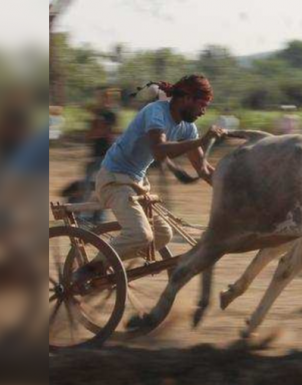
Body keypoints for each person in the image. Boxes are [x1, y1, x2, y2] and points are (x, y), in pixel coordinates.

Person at [74, 74, 225, 281]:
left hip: (137, 183)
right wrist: (201, 142)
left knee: (162, 235)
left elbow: (204, 170)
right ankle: (91, 269)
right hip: (114, 179)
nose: (203, 111)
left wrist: (234, 191)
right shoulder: (156, 112)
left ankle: (110, 263)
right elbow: (160, 151)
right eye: (202, 104)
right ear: (186, 98)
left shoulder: (188, 128)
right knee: (141, 236)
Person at [82, 87, 119, 223]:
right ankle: (85, 215)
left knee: (103, 187)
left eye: (105, 98)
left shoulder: (110, 115)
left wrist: (99, 127)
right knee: (87, 187)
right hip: (95, 155)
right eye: (100, 98)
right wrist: (97, 126)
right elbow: (89, 136)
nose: (102, 100)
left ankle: (100, 217)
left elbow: (109, 134)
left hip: (106, 157)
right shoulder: (96, 116)